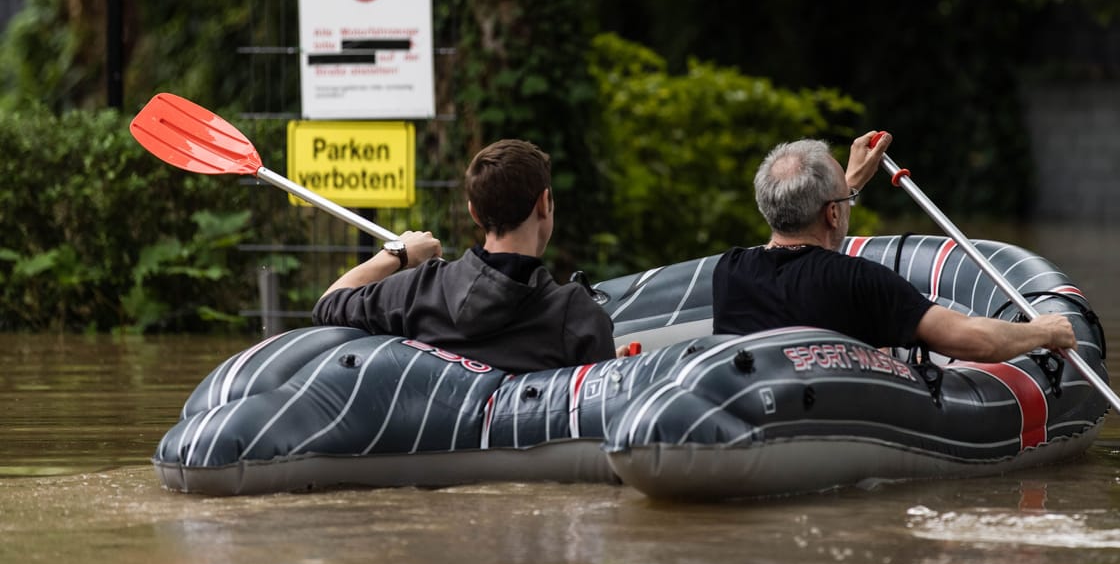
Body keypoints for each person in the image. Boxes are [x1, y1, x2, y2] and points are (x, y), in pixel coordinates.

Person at [711, 132, 1076, 362]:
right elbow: (973, 341)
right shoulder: (861, 281)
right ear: (833, 215)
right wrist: (1045, 331)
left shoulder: (730, 271)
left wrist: (844, 189)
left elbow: (794, 240)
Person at [313, 139, 624, 373]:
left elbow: (328, 304)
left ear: (474, 212)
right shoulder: (577, 318)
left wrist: (400, 254)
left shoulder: (418, 291)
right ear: (544, 204)